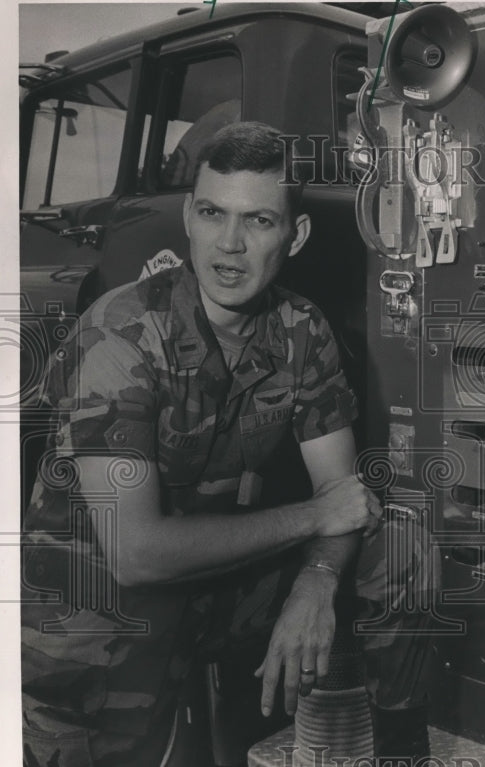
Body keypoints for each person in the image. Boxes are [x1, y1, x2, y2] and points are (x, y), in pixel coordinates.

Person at [22, 122, 433, 767]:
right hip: (97, 614)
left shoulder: (300, 329)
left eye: (259, 221)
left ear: (293, 237)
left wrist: (318, 579)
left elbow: (344, 496)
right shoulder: (120, 333)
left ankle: (397, 751)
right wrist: (311, 521)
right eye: (213, 213)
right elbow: (137, 554)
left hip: (220, 585)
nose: (230, 245)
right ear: (188, 216)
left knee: (400, 544)